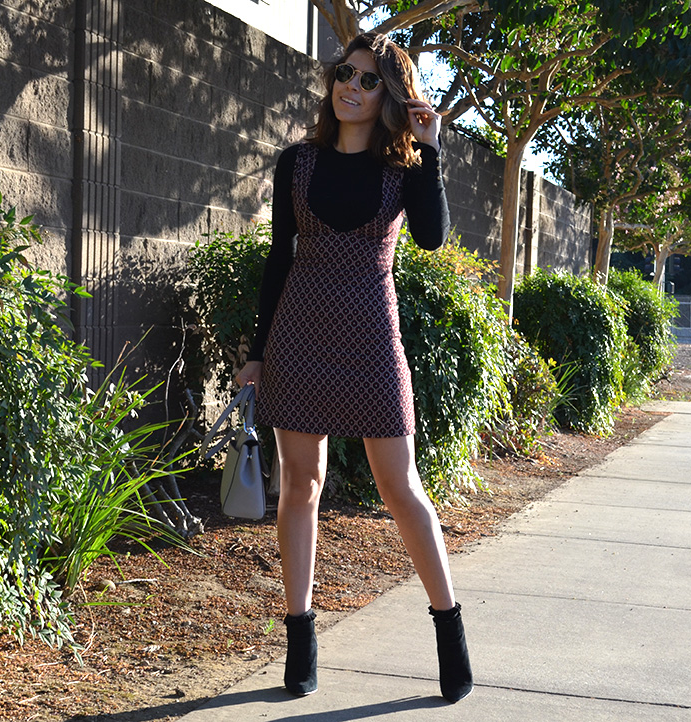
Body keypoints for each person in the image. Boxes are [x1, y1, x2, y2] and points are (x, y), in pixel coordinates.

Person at [235, 32, 473, 703]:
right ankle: (300, 633)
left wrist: (431, 151)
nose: (353, 88)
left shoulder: (403, 167)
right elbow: (278, 259)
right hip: (298, 335)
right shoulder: (297, 163)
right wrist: (256, 354)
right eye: (346, 74)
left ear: (389, 94)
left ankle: (449, 628)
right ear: (332, 81)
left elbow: (429, 236)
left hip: (372, 335)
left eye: (370, 81)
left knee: (402, 488)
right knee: (301, 486)